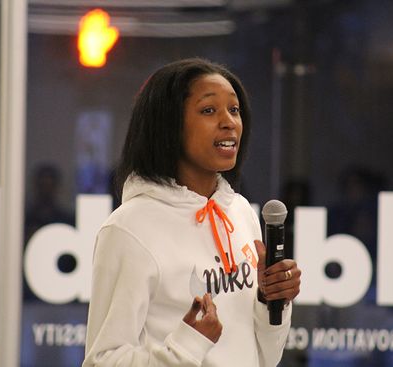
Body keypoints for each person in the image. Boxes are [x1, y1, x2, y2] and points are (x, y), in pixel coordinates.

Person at [82, 58, 301, 367]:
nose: (229, 122)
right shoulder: (129, 228)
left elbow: (264, 356)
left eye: (234, 110)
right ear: (167, 124)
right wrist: (185, 346)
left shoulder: (240, 212)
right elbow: (102, 360)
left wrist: (270, 301)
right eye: (209, 110)